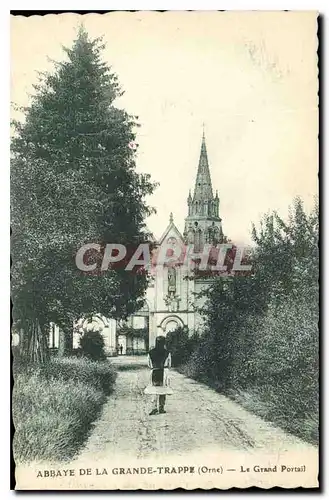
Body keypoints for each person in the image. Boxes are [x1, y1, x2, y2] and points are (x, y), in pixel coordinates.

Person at [144, 336, 173, 415]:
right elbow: (169, 364)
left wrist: (153, 367)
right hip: (164, 371)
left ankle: (154, 407)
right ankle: (161, 407)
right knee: (163, 389)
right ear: (164, 343)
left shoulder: (151, 352)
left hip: (154, 371)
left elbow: (149, 364)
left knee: (154, 389)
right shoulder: (167, 352)